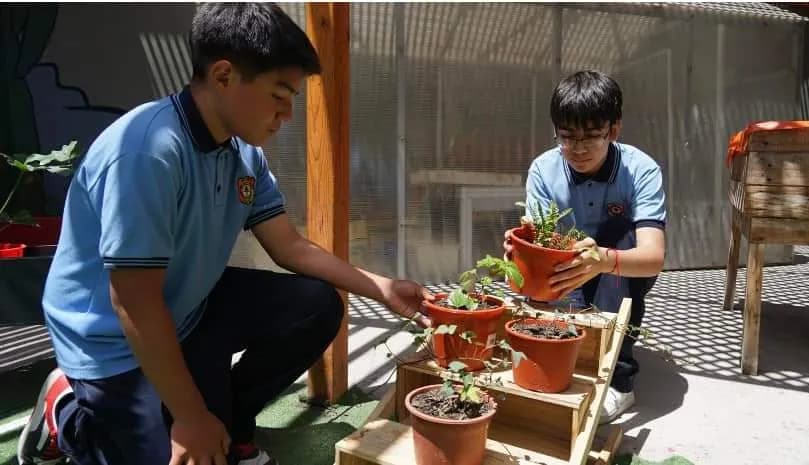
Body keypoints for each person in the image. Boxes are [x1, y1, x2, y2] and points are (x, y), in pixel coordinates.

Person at [17, 4, 432, 465]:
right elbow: (132, 301)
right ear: (223, 76)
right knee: (176, 450)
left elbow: (289, 246)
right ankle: (68, 413)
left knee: (315, 305)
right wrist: (191, 417)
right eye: (279, 95)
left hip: (187, 308)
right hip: (113, 338)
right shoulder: (146, 151)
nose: (288, 114)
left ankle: (229, 421)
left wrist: (383, 289)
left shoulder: (243, 155)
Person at [504, 70, 667, 423]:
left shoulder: (640, 169)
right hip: (569, 264)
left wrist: (603, 260)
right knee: (567, 309)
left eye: (592, 136)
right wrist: (519, 252)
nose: (578, 149)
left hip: (622, 264)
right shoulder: (544, 170)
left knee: (619, 241)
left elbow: (653, 258)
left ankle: (620, 382)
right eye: (567, 137)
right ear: (556, 132)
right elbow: (538, 235)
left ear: (614, 130)